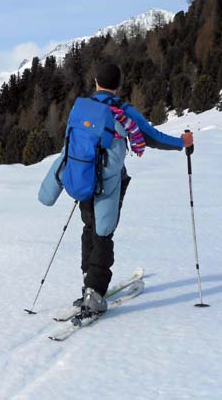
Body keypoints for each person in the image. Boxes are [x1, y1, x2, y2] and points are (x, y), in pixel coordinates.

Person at [37, 61, 194, 314]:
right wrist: (182, 143)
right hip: (108, 183)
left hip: (81, 179)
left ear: (96, 82)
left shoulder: (82, 109)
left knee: (90, 228)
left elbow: (68, 146)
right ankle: (94, 295)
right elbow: (152, 137)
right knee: (103, 233)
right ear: (118, 86)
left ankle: (89, 283)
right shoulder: (122, 110)